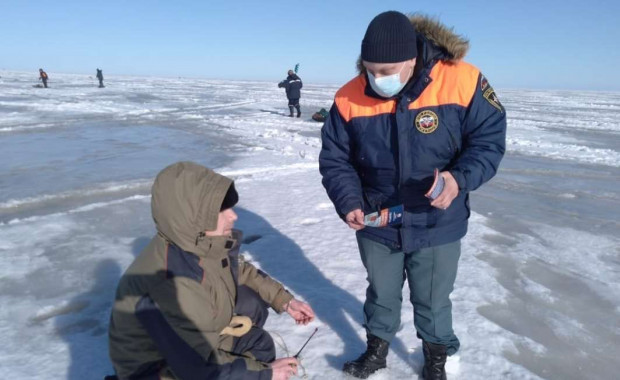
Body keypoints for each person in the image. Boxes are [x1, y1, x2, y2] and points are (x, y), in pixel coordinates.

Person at [319, 11, 506, 380]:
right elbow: (335, 159)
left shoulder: (463, 80)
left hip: (437, 218)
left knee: (433, 298)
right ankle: (376, 351)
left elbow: (488, 141)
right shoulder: (348, 96)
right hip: (378, 220)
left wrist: (458, 179)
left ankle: (437, 357)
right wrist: (349, 201)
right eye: (371, 70)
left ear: (413, 59)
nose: (377, 79)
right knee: (381, 293)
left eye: (387, 71)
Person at [108, 161, 315, 380]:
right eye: (221, 210)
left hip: (187, 351)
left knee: (258, 339)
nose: (233, 216)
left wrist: (285, 301)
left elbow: (240, 269)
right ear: (193, 216)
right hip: (158, 369)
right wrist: (266, 373)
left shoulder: (197, 241)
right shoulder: (170, 282)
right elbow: (198, 369)